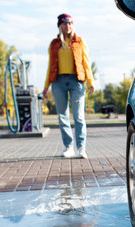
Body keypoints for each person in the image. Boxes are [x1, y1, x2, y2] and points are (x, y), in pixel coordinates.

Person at [42, 13, 95, 159]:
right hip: (58, 82)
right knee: (62, 116)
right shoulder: (54, 44)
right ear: (60, 26)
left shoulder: (79, 41)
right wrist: (46, 87)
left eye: (70, 23)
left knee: (78, 117)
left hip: (76, 81)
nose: (68, 26)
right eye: (65, 24)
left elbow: (86, 62)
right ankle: (68, 147)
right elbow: (49, 66)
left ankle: (81, 148)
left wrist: (90, 82)